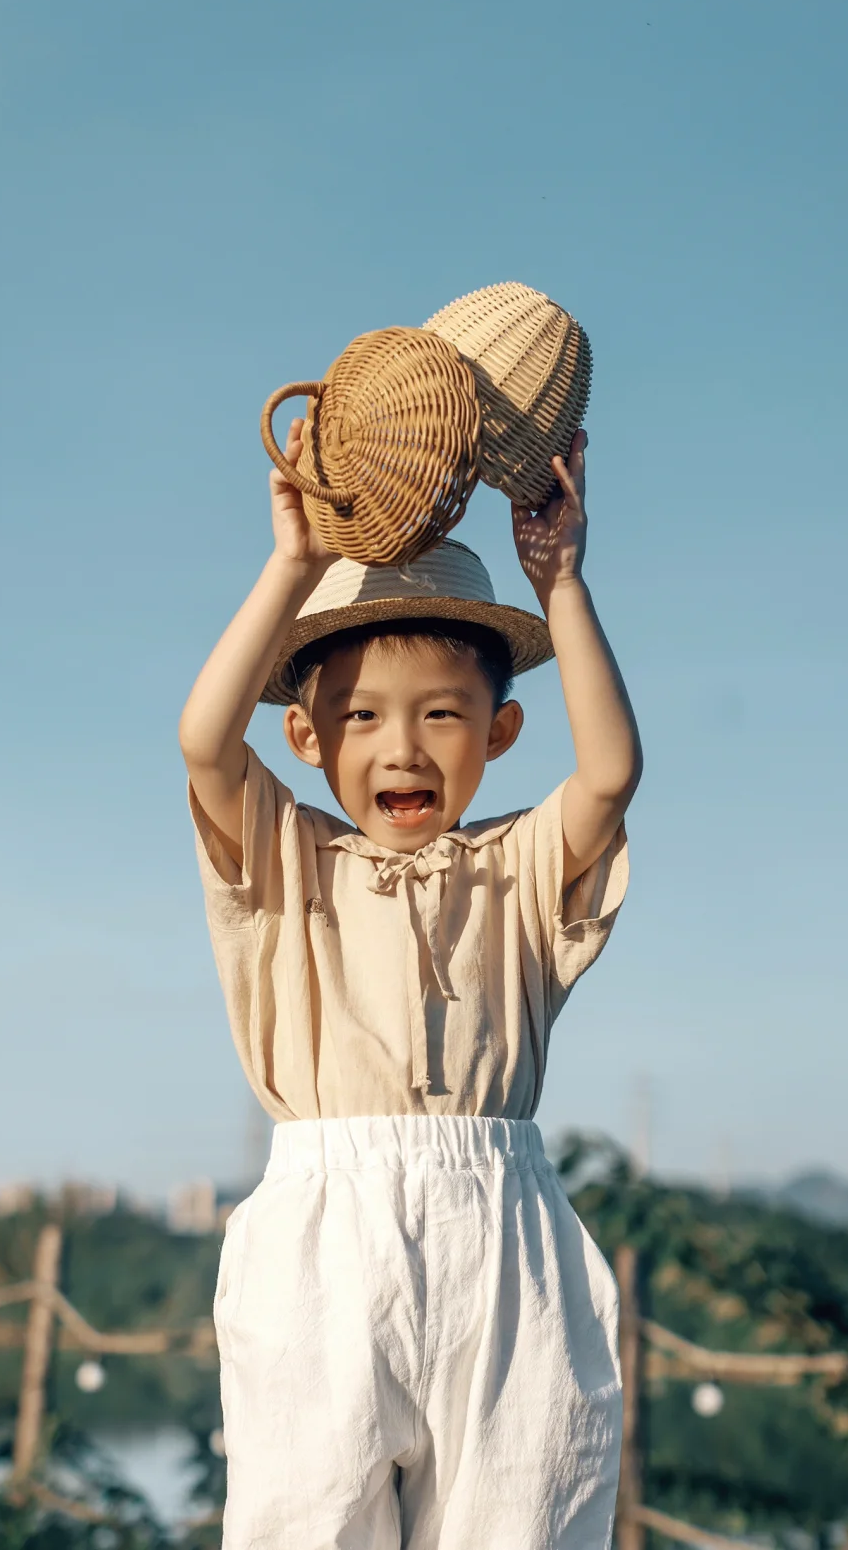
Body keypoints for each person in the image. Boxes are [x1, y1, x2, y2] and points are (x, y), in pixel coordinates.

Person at [179, 416, 642, 1550]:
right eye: (361, 716)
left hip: (503, 1229)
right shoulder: (283, 858)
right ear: (302, 734)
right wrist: (289, 568)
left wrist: (563, 584)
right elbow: (202, 739)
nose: (403, 746)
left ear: (500, 729)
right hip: (324, 1230)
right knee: (307, 1521)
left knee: (521, 1513)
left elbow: (614, 770)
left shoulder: (520, 865)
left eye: (444, 712)